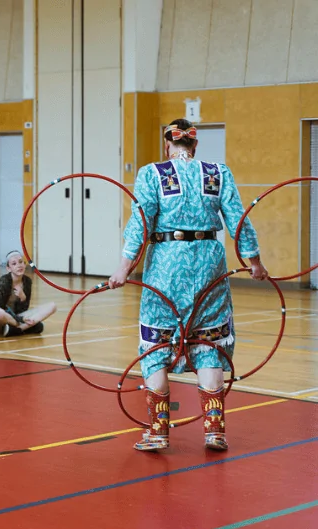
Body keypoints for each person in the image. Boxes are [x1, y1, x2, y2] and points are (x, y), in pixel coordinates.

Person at [108, 118, 267, 452]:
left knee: (156, 342)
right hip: (209, 263)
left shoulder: (152, 173)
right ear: (194, 146)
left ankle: (158, 432)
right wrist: (254, 261)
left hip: (166, 265)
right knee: (209, 340)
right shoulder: (218, 172)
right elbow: (238, 219)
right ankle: (215, 432)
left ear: (168, 145)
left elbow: (140, 225)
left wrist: (123, 269)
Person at [0, 251, 57, 336]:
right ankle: (21, 328)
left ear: (24, 264)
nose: (19, 265)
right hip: (1, 319)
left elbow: (23, 310)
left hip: (17, 317)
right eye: (14, 264)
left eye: (20, 262)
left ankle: (16, 330)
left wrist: (23, 298)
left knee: (52, 306)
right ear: (9, 268)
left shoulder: (27, 281)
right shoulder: (4, 282)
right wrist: (20, 319)